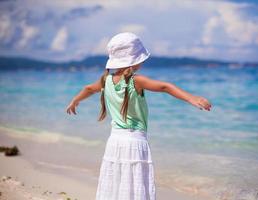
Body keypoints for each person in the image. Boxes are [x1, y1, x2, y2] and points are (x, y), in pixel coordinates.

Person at [66, 32, 212, 200]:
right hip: (135, 142)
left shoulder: (106, 80)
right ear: (136, 60)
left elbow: (88, 89)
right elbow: (164, 87)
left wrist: (75, 101)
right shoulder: (136, 81)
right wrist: (192, 98)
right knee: (135, 189)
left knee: (116, 185)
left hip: (114, 142)